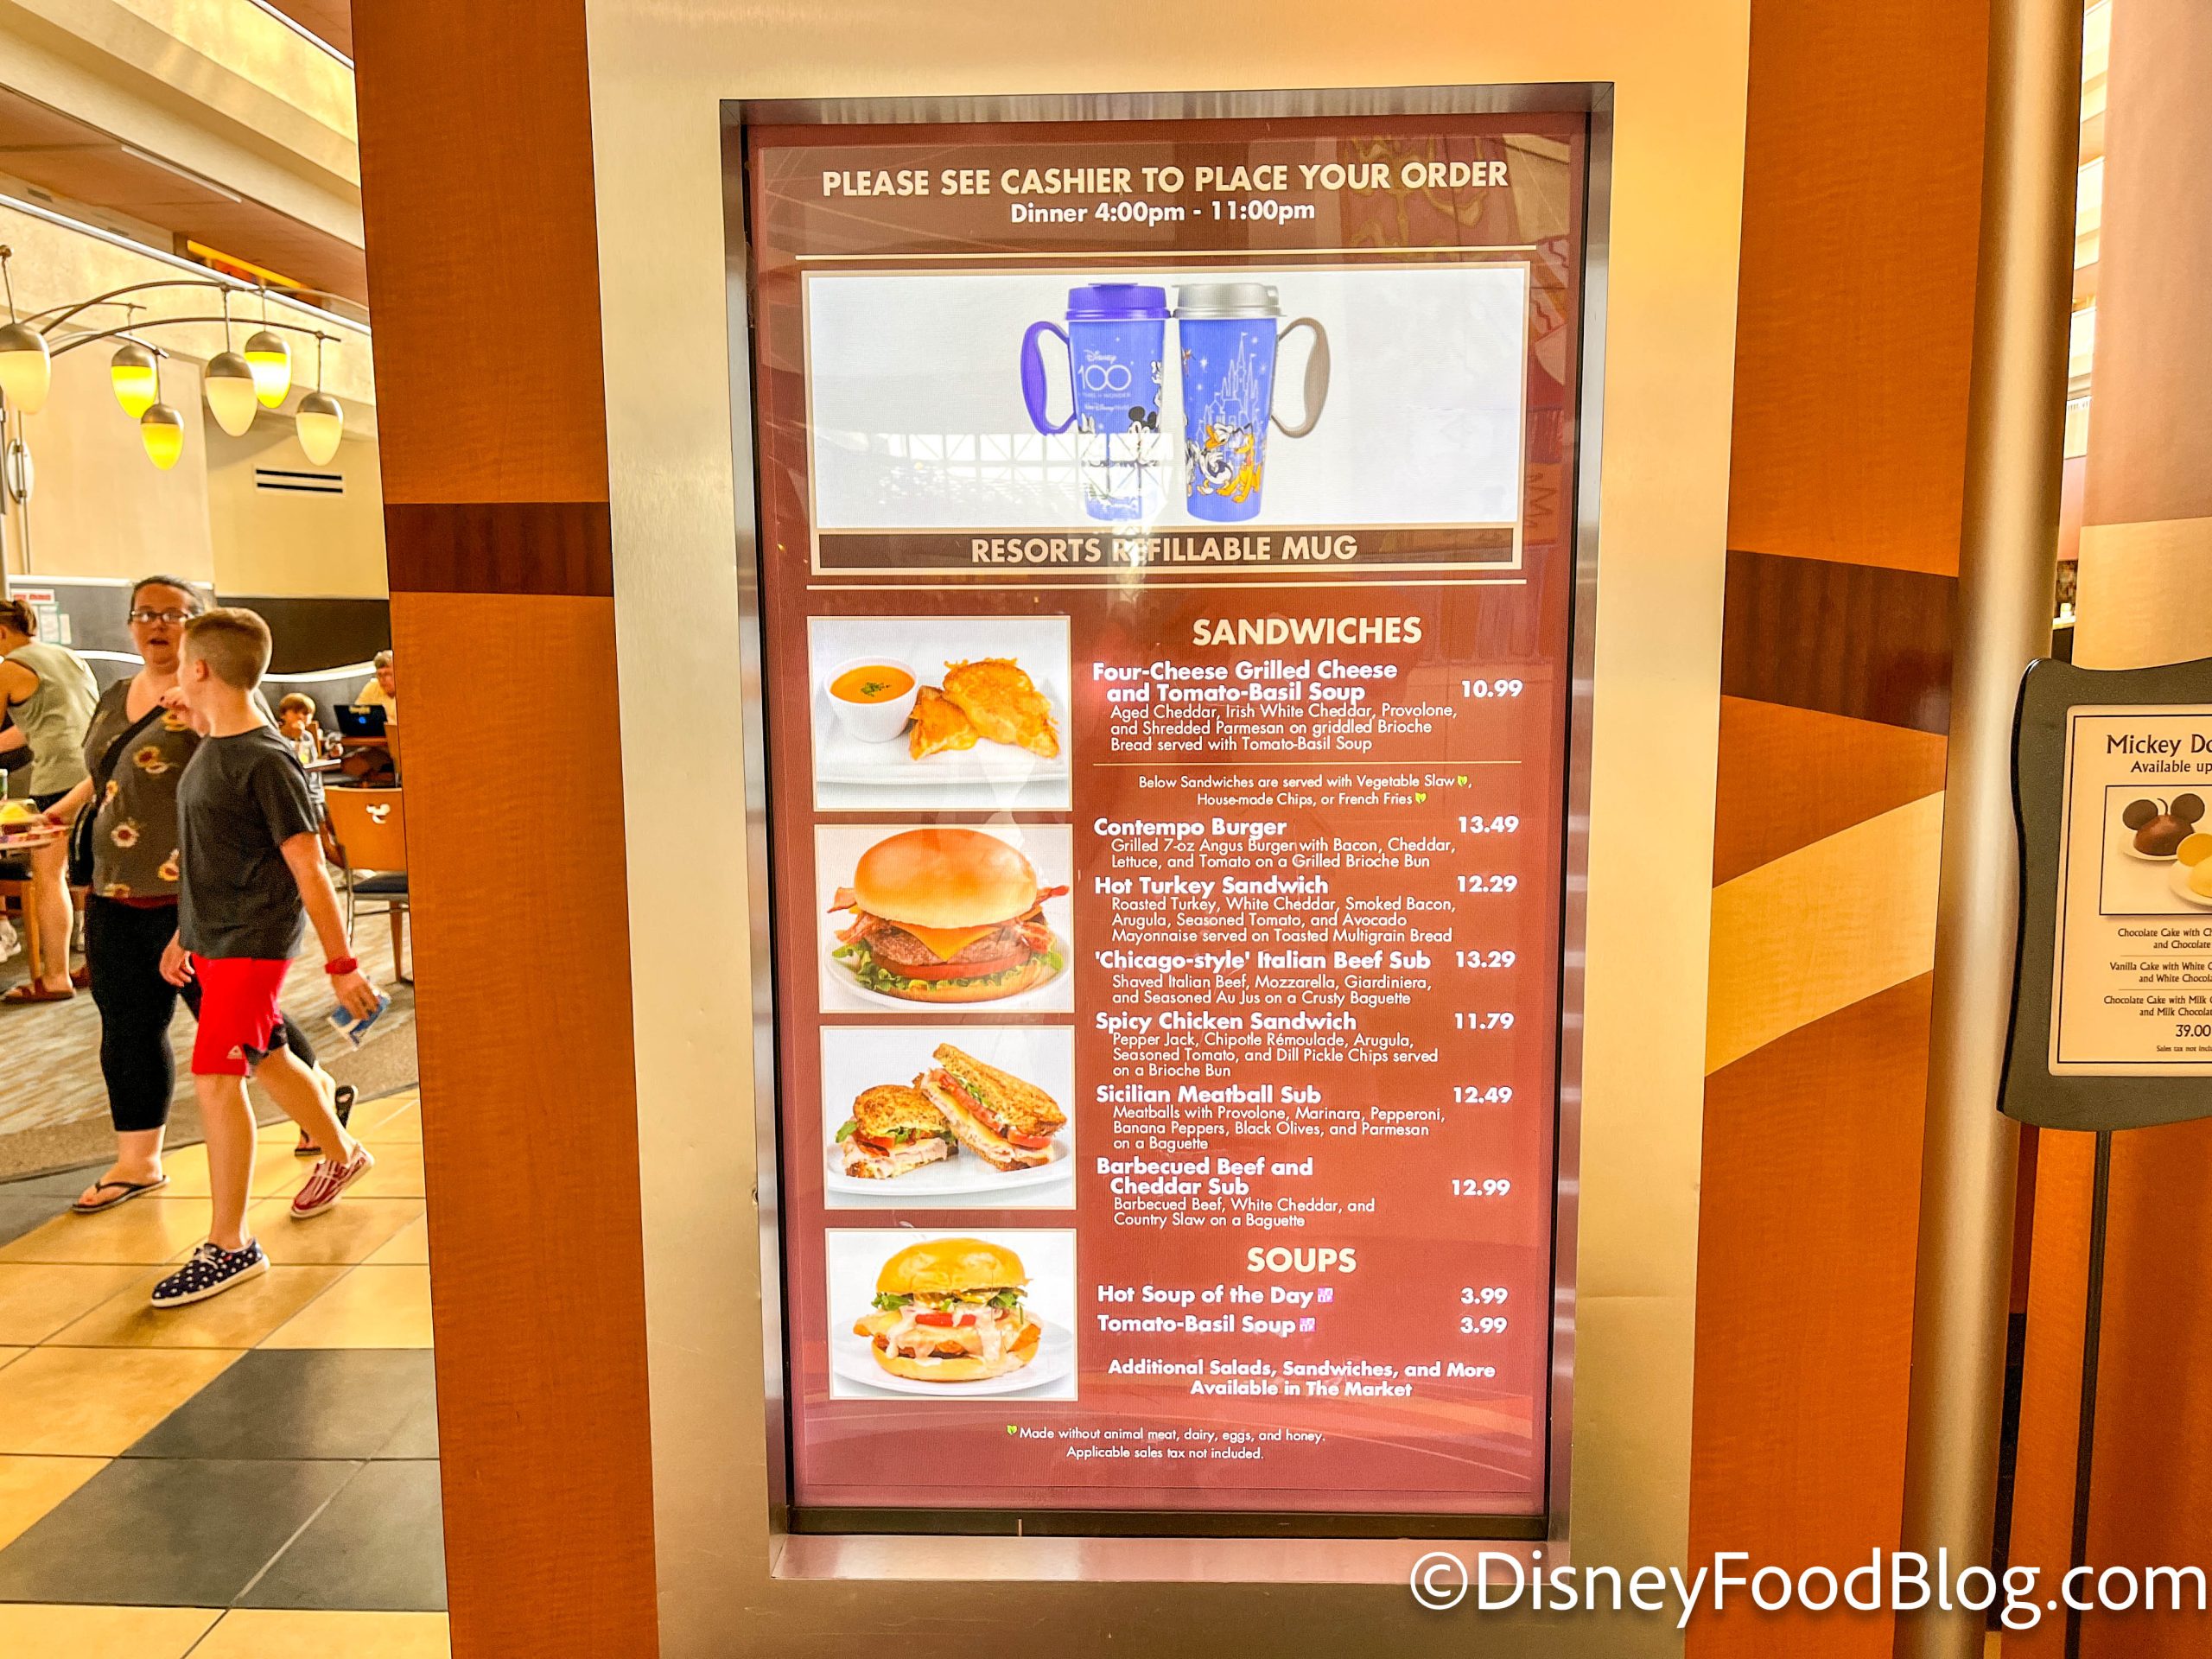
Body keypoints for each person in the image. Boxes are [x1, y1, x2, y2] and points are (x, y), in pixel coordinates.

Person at [40, 577, 350, 1214]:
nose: (157, 625)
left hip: (206, 898)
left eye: (173, 615)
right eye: (145, 613)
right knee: (137, 1028)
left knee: (247, 1040)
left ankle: (312, 1129)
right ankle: (143, 1163)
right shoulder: (118, 696)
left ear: (199, 640)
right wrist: (58, 814)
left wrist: (342, 964)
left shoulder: (226, 711)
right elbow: (104, 773)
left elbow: (281, 819)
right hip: (119, 887)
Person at [149, 607, 382, 1307]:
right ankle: (344, 1154)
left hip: (252, 943)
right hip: (216, 938)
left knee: (216, 1081)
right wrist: (186, 932)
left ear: (198, 668)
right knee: (269, 1056)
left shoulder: (267, 759)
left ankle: (231, 1245)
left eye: (181, 664)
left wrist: (342, 966)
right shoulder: (214, 745)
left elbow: (309, 868)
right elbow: (212, 852)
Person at [0, 596, 98, 1002]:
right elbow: (37, 727)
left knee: (49, 875)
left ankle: (55, 978)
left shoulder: (9, 667)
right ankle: (99, 964)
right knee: (95, 877)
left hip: (58, 778)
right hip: (97, 773)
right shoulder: (68, 657)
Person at [354, 649, 397, 725]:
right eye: (379, 675)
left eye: (387, 674)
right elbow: (356, 712)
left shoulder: (409, 691)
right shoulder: (371, 687)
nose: (382, 679)